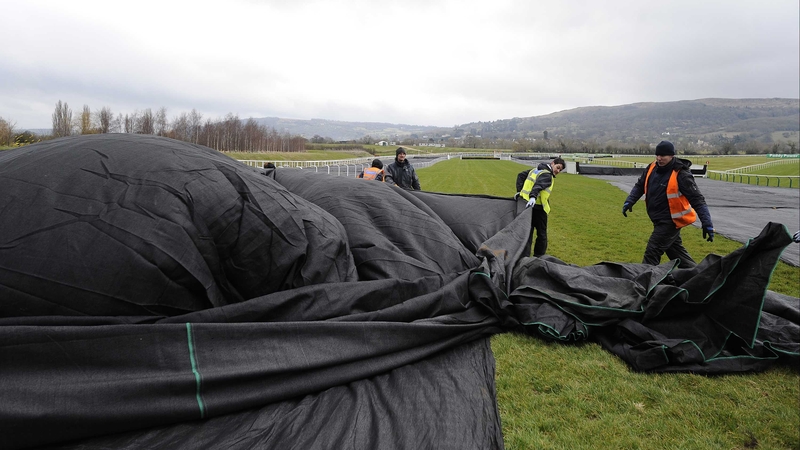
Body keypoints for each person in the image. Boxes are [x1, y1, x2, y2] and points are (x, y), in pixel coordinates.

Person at [622, 140, 714, 268]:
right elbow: (640, 185)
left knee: (652, 252)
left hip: (670, 222)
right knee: (677, 253)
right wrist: (630, 201)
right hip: (657, 219)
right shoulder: (652, 167)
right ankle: (698, 277)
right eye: (657, 155)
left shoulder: (681, 174)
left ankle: (644, 283)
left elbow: (697, 200)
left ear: (672, 156)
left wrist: (707, 223)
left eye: (663, 156)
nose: (659, 158)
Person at [515, 157, 566, 257]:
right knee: (541, 235)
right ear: (552, 163)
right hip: (538, 208)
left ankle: (523, 255)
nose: (558, 171)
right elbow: (538, 186)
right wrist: (533, 197)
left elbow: (521, 176)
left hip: (526, 206)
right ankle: (538, 256)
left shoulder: (536, 170)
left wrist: (520, 191)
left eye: (560, 170)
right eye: (558, 167)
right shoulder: (547, 175)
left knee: (527, 233)